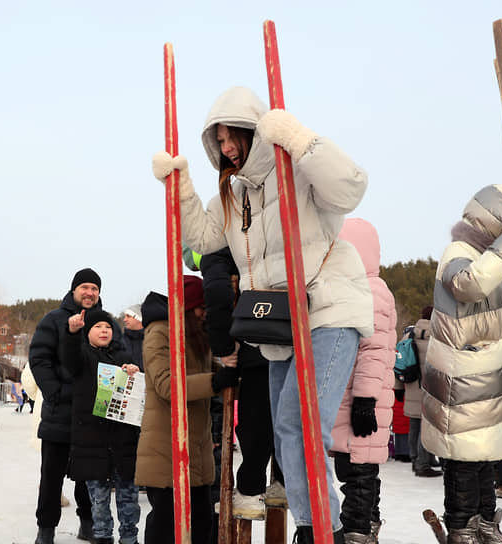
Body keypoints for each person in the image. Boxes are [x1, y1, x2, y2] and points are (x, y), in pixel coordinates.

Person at [152, 86, 372, 540]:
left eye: (233, 136)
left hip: (327, 309)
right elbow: (203, 239)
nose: (227, 147)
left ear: (255, 131)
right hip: (279, 324)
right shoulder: (233, 195)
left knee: (300, 423)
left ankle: (322, 530)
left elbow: (351, 187)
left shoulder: (296, 169)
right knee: (285, 431)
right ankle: (313, 527)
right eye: (218, 141)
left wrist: (300, 138)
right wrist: (181, 185)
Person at [422, 184, 502, 543]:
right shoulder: (459, 250)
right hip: (464, 378)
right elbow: (468, 285)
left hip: (491, 376)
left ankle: (485, 524)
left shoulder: (498, 257)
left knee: (484, 460)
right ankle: (463, 528)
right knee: (463, 459)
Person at [135, 276, 240, 544]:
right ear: (188, 306)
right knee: (167, 530)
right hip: (166, 452)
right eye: (200, 307)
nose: (205, 313)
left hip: (196, 451)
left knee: (202, 526)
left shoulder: (195, 334)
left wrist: (229, 377)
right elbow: (166, 384)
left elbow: (203, 373)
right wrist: (216, 381)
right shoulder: (159, 332)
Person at [198, 246, 282, 521]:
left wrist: (223, 347)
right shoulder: (277, 236)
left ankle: (249, 490)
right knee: (286, 418)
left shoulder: (220, 247)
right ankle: (282, 481)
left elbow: (218, 293)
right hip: (293, 339)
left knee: (255, 419)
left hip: (255, 340)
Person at [29, 268, 112, 543]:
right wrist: (56, 393)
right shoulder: (53, 319)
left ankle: (87, 523)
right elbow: (39, 359)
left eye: (95, 289)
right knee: (51, 477)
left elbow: (117, 355)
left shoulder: (104, 322)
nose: (90, 293)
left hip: (92, 416)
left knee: (89, 475)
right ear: (74, 289)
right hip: (59, 414)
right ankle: (46, 529)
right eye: (85, 287)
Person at [329, 218, 396, 543]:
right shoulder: (363, 287)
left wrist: (365, 401)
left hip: (360, 400)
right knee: (362, 471)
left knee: (357, 473)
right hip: (355, 398)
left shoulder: (368, 291)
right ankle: (368, 525)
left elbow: (373, 351)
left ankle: (357, 533)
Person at [63, 309, 141, 544]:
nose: (104, 330)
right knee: (98, 499)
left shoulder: (123, 356)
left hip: (123, 441)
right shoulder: (82, 357)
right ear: (87, 332)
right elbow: (69, 356)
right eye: (97, 327)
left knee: (129, 498)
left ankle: (129, 538)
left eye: (107, 327)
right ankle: (102, 537)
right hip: (91, 442)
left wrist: (134, 373)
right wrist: (72, 332)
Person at [404, 306, 443, 478]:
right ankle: (423, 463)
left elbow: (401, 360)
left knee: (414, 425)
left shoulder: (409, 334)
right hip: (430, 387)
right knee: (426, 426)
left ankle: (416, 458)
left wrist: (399, 387)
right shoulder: (437, 337)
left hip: (411, 386)